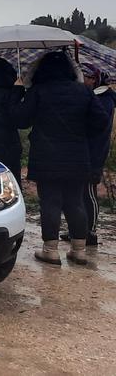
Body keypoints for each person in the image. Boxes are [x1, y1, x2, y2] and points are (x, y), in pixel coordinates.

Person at [13, 51, 107, 265]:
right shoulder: (84, 92)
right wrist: (82, 132)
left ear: (42, 70)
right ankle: (79, 250)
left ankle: (51, 250)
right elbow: (101, 122)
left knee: (50, 201)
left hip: (47, 156)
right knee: (75, 202)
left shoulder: (39, 91)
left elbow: (21, 119)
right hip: (77, 155)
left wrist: (18, 91)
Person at [81, 63, 116, 246]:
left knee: (89, 192)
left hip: (94, 152)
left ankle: (91, 232)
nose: (84, 79)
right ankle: (79, 230)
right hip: (85, 150)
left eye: (87, 76)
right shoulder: (95, 97)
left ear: (96, 79)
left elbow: (97, 125)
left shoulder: (104, 100)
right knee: (80, 192)